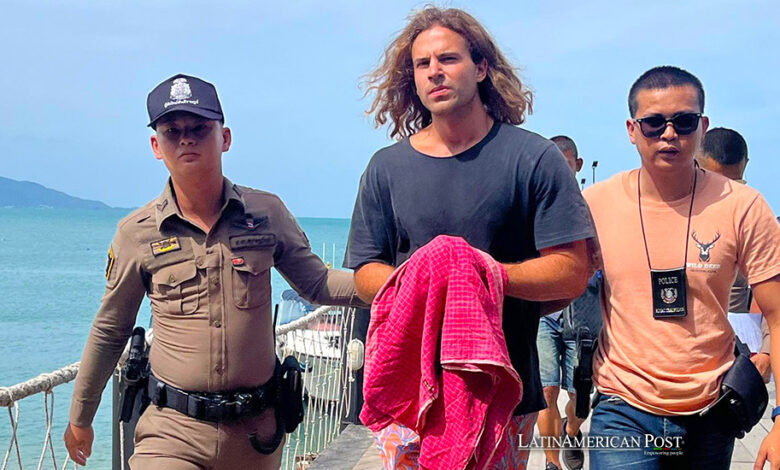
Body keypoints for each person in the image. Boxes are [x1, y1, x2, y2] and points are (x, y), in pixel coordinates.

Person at [63, 74, 362, 470]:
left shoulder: (267, 213)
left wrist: (398, 284)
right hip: (172, 433)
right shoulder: (136, 234)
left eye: (200, 128)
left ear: (225, 138)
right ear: (157, 146)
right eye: (172, 131)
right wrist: (80, 417)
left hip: (258, 433)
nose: (186, 139)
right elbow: (111, 329)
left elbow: (318, 282)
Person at [344, 6, 595, 468]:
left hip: (506, 395)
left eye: (448, 59)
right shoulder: (385, 168)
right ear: (413, 81)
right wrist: (430, 277)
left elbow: (572, 272)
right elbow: (364, 274)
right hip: (409, 401)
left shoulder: (534, 159)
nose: (435, 72)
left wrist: (479, 272)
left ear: (481, 68)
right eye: (423, 64)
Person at [584, 66, 780, 469]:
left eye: (684, 122)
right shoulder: (595, 204)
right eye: (654, 123)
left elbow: (778, 315)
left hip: (712, 409)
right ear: (632, 129)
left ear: (703, 126)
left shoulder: (742, 205)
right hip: (623, 405)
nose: (669, 134)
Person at [696, 127, 771, 381]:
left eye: (734, 183)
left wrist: (768, 352)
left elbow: (773, 300)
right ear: (696, 162)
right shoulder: (672, 211)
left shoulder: (751, 216)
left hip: (734, 362)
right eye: (714, 181)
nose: (725, 192)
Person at [535, 135, 586, 470]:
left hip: (584, 314)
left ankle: (572, 429)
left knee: (581, 397)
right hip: (543, 313)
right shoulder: (533, 204)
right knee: (547, 391)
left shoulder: (593, 206)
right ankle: (553, 462)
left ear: (577, 166)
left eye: (565, 167)